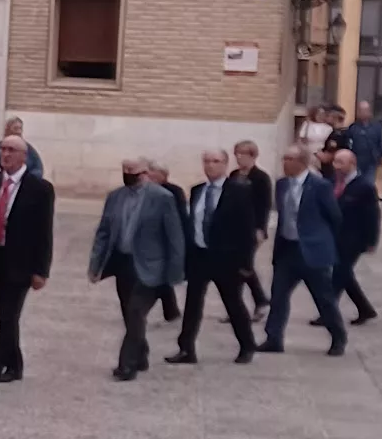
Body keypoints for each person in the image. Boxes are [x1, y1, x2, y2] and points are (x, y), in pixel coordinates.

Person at [88, 158, 184, 381]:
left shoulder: (162, 198)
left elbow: (174, 236)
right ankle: (141, 355)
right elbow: (103, 232)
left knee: (135, 311)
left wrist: (175, 271)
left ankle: (127, 365)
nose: (129, 175)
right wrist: (95, 265)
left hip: (151, 265)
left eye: (134, 171)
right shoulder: (115, 197)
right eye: (125, 171)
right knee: (129, 314)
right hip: (123, 264)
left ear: (145, 173)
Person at [0, 135, 54, 391]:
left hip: (22, 261)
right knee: (5, 316)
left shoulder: (40, 189)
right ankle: (15, 365)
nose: (5, 154)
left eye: (11, 150)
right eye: (3, 149)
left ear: (24, 156)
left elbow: (45, 233)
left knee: (9, 316)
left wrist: (41, 270)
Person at [167, 150, 258, 365]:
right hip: (200, 255)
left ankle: (246, 345)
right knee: (192, 304)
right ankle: (186, 348)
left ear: (225, 164)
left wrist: (246, 263)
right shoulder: (198, 190)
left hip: (226, 258)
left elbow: (247, 230)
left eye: (215, 161)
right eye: (206, 161)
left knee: (233, 303)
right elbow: (193, 223)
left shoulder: (239, 191)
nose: (210, 166)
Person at [260, 143, 346, 357]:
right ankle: (273, 338)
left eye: (289, 159)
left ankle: (338, 336)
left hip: (312, 251)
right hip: (287, 249)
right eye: (284, 158)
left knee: (323, 298)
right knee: (278, 295)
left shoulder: (320, 186)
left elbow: (334, 217)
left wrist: (323, 241)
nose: (285, 163)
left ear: (301, 162)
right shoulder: (281, 185)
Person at [326, 149, 380, 327]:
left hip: (354, 239)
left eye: (341, 163)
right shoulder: (333, 182)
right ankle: (365, 309)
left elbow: (373, 216)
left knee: (338, 275)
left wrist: (372, 241)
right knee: (345, 275)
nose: (337, 166)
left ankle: (327, 311)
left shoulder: (364, 186)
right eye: (335, 162)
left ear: (352, 164)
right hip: (335, 236)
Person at [229, 140, 274, 321]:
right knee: (234, 268)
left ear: (253, 156)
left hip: (251, 229)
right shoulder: (233, 175)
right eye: (237, 154)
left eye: (243, 154)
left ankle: (260, 301)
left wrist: (261, 228)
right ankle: (236, 306)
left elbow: (264, 204)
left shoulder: (261, 177)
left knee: (245, 265)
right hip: (233, 228)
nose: (239, 157)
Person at [146, 161, 187, 322]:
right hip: (151, 240)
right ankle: (171, 311)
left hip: (166, 240)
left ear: (163, 175)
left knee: (160, 277)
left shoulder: (174, 191)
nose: (149, 176)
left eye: (153, 173)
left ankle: (169, 311)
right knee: (160, 277)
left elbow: (181, 217)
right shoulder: (147, 190)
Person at [346, 101, 382, 182]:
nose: (363, 112)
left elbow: (381, 141)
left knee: (369, 183)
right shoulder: (353, 128)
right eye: (361, 110)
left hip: (372, 161)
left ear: (369, 111)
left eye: (366, 110)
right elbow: (348, 144)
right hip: (357, 161)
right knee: (357, 183)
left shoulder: (377, 126)